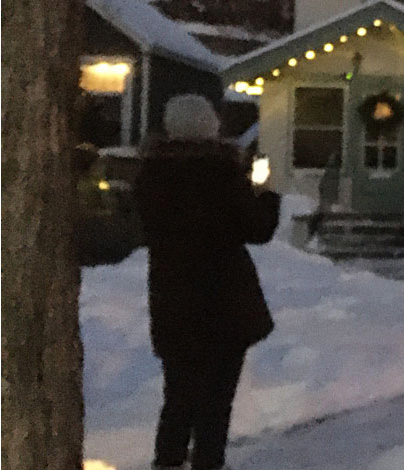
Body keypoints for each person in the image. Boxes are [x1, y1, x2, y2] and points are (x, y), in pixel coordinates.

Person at [133, 94, 281, 470]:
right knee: (215, 401)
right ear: (209, 127)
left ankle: (167, 462)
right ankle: (207, 463)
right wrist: (265, 194)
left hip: (173, 301)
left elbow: (141, 227)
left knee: (179, 395)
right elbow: (258, 229)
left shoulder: (151, 177)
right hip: (225, 304)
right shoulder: (222, 174)